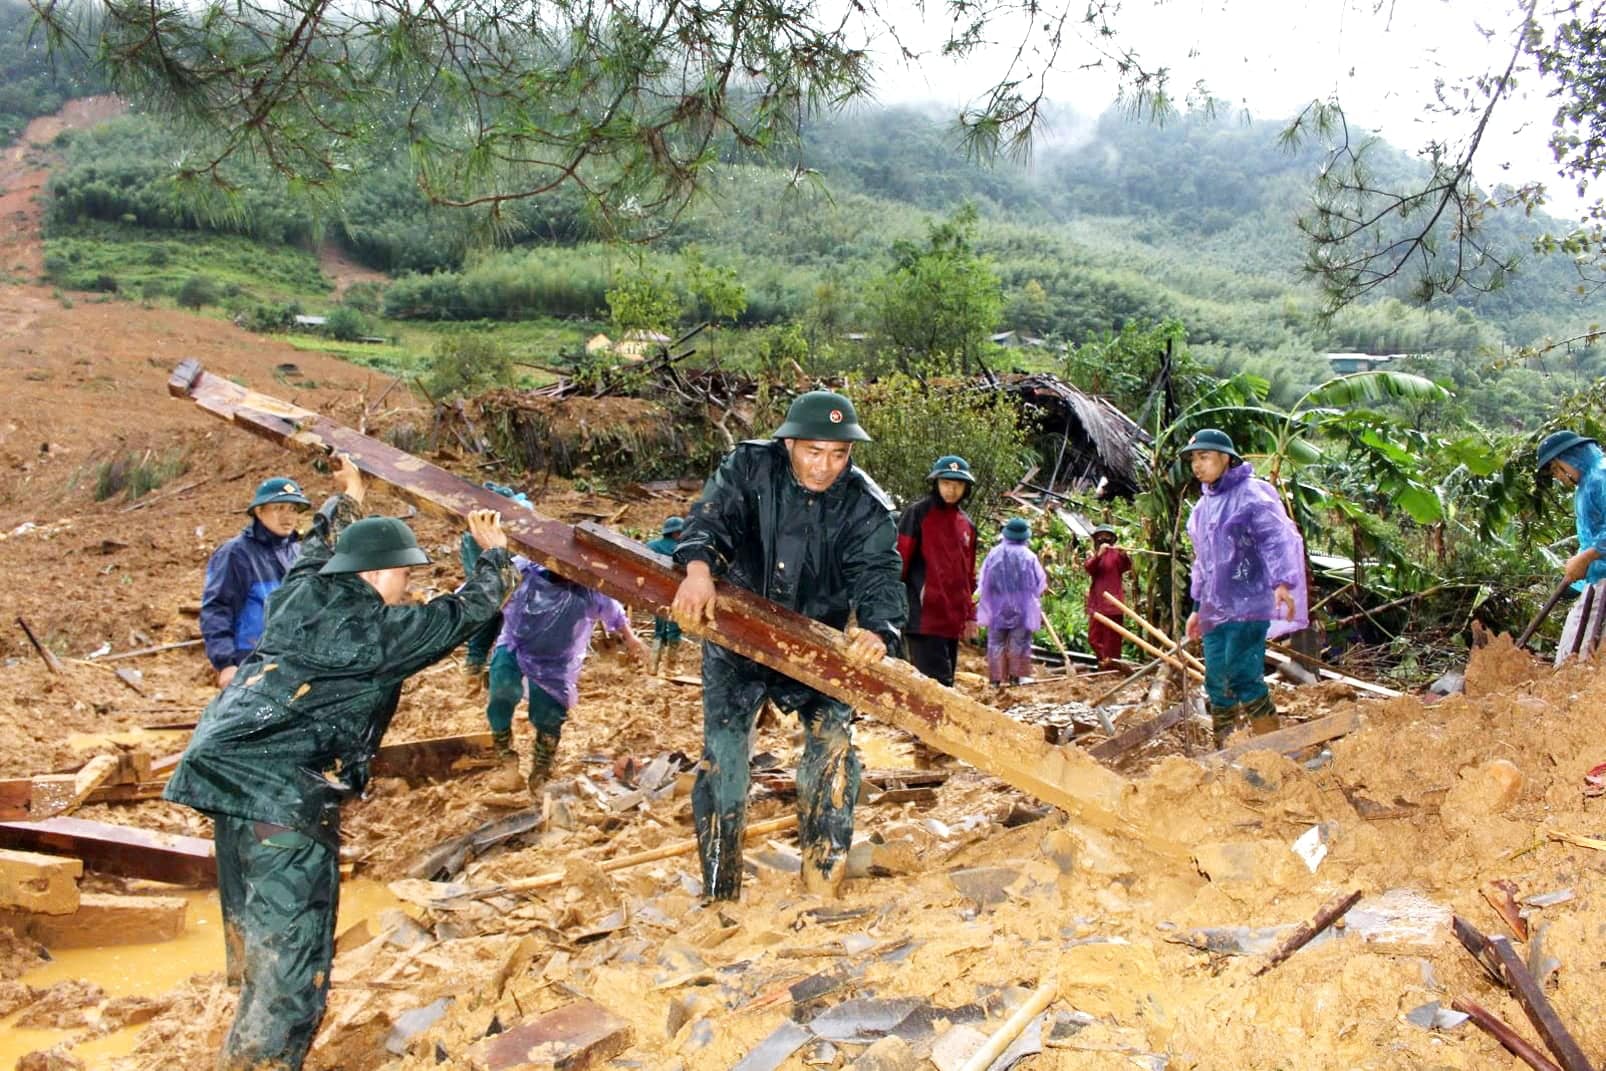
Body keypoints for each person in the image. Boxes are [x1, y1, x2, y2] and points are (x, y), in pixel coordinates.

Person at [164, 457, 516, 1071]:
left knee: (258, 941)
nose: (410, 586)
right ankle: (260, 1059)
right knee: (292, 975)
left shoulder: (301, 588)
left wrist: (347, 496)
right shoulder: (371, 635)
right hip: (281, 798)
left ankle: (244, 1034)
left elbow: (315, 542)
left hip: (226, 777)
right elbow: (462, 614)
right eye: (406, 576)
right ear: (382, 572)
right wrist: (493, 554)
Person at [670, 390, 906, 901]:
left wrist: (878, 628)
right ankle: (719, 888)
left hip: (817, 644)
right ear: (790, 443)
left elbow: (879, 572)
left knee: (833, 749)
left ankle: (823, 881)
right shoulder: (750, 467)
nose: (825, 467)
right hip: (739, 633)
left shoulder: (865, 504)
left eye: (839, 455)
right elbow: (711, 518)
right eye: (813, 452)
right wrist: (697, 570)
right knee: (725, 759)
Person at [1179, 429, 1308, 746]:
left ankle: (1273, 745)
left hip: (1249, 603)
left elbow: (1277, 539)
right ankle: (1226, 746)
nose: (1197, 465)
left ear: (1226, 458)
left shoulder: (1252, 495)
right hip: (1214, 609)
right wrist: (1196, 609)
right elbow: (1203, 563)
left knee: (1242, 673)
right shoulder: (1202, 508)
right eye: (1194, 458)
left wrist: (1282, 582)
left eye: (1205, 457)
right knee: (1216, 679)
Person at [487, 560, 649, 792]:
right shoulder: (525, 572)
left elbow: (615, 612)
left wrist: (631, 639)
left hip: (556, 662)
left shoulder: (590, 589)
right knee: (501, 692)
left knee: (549, 715)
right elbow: (485, 588)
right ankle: (505, 758)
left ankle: (542, 768)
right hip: (516, 646)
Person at [200, 476, 311, 688]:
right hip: (249, 662)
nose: (288, 516)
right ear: (259, 511)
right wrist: (225, 664)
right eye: (279, 508)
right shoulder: (236, 554)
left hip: (292, 661)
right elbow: (216, 608)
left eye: (293, 509)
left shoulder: (298, 552)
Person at [897, 455, 979, 687]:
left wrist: (969, 616)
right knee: (935, 685)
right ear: (935, 484)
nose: (951, 490)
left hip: (951, 620)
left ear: (966, 488)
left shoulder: (968, 526)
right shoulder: (918, 514)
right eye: (946, 483)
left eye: (958, 484)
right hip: (923, 616)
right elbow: (899, 561)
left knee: (946, 682)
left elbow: (968, 576)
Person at [460, 481, 532, 696]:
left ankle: (479, 671)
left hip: (497, 582)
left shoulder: (511, 523)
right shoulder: (476, 536)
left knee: (488, 622)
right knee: (496, 624)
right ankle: (482, 673)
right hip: (494, 583)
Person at [977, 518, 1048, 688]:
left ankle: (995, 679)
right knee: (1019, 642)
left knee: (996, 642)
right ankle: (1016, 677)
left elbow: (983, 579)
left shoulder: (994, 554)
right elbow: (1040, 582)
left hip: (997, 606)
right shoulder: (1029, 556)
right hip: (1022, 606)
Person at [1536, 430, 1606, 587]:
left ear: (1571, 457)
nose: (1557, 477)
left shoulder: (1601, 476)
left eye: (1556, 469)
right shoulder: (1585, 485)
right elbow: (1590, 537)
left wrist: (1586, 558)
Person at [1084, 525, 1134, 667]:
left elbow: (1126, 566)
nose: (1103, 539)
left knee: (1113, 640)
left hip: (1114, 603)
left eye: (1107, 536)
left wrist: (1124, 555)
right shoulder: (1093, 554)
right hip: (1097, 603)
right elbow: (1089, 568)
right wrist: (1099, 555)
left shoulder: (1117, 554)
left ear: (1112, 539)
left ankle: (1112, 667)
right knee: (1094, 638)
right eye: (1100, 536)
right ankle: (1104, 661)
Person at [646, 517, 687, 676]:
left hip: (657, 592)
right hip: (678, 594)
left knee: (659, 628)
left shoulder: (651, 546)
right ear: (677, 533)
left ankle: (653, 666)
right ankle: (670, 668)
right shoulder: (682, 549)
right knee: (675, 629)